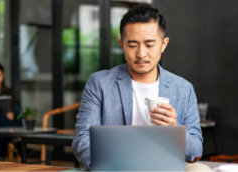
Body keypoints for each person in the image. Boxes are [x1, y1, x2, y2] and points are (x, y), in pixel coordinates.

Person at [72, 5, 203, 168]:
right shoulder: (100, 83)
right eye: (133, 45)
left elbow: (196, 149)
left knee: (200, 169)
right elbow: (83, 141)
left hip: (164, 168)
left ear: (163, 44)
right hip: (115, 168)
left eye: (149, 44)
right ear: (122, 44)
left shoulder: (183, 88)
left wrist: (174, 130)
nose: (141, 54)